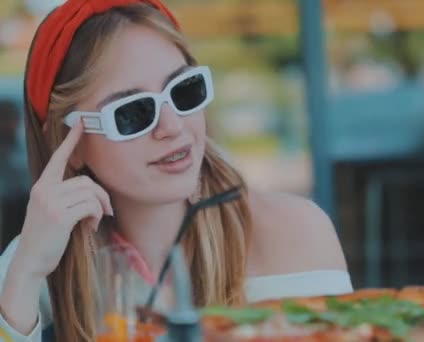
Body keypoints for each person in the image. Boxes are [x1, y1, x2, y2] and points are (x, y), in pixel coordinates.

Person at [0, 0, 352, 340]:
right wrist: (25, 273)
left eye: (184, 90)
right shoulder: (44, 253)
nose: (172, 125)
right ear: (70, 143)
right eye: (133, 112)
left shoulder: (292, 232)